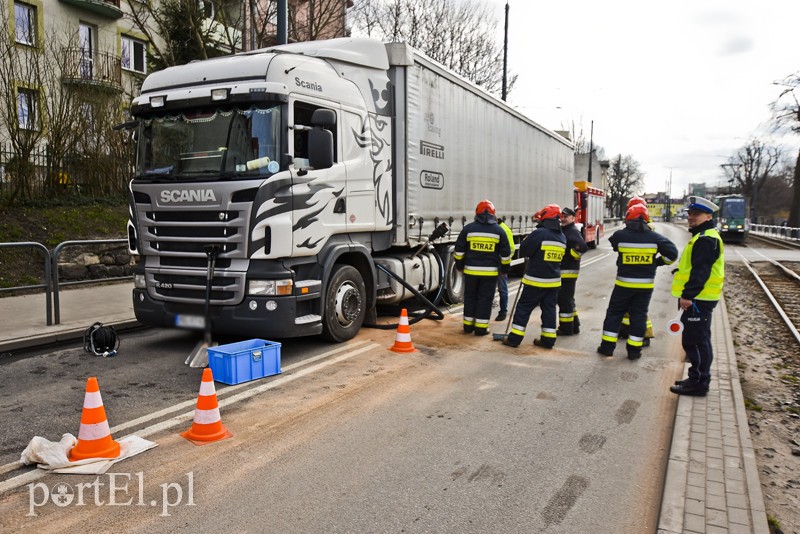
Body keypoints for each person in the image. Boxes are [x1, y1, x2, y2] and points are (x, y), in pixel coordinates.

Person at [597, 203, 679, 360]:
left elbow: (614, 244)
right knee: (639, 316)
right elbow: (672, 254)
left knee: (614, 314)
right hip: (645, 286)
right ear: (647, 220)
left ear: (628, 218)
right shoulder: (655, 238)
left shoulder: (620, 236)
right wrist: (657, 262)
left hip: (623, 285)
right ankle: (634, 351)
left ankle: (607, 347)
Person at [670, 196, 724, 396]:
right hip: (701, 298)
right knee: (699, 339)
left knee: (695, 341)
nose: (691, 217)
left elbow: (701, 272)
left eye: (696, 214)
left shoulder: (706, 239)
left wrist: (687, 295)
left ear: (708, 216)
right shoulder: (704, 236)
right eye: (690, 214)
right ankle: (696, 377)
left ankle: (699, 383)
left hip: (698, 299)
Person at [502, 204, 566, 349]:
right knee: (549, 311)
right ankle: (548, 340)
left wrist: (528, 240)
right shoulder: (562, 237)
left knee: (523, 308)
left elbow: (524, 250)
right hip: (553, 283)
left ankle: (514, 339)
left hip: (535, 281)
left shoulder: (540, 233)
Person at [453, 200, 512, 336]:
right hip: (489, 274)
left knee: (470, 297)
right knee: (485, 299)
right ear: (493, 214)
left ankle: (468, 326)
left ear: (477, 213)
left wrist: (460, 265)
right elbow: (505, 254)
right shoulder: (499, 231)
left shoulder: (468, 229)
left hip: (471, 271)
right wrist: (504, 269)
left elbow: (459, 250)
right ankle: (481, 328)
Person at [619, 196, 655, 345]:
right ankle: (627, 330)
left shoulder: (644, 226)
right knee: (631, 307)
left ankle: (644, 335)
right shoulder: (649, 225)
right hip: (642, 272)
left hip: (635, 271)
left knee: (639, 309)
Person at [556, 207, 588, 335]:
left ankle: (566, 328)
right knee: (568, 300)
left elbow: (583, 247)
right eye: (562, 216)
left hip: (567, 272)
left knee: (564, 301)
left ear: (573, 218)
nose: (563, 219)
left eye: (566, 217)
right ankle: (575, 325)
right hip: (567, 272)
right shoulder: (566, 230)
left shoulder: (572, 231)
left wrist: (570, 255)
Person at [495, 217, 516, 322]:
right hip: (493, 263)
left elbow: (511, 249)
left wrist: (504, 263)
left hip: (500, 264)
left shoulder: (504, 229)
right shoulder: (496, 228)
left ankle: (503, 311)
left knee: (502, 289)